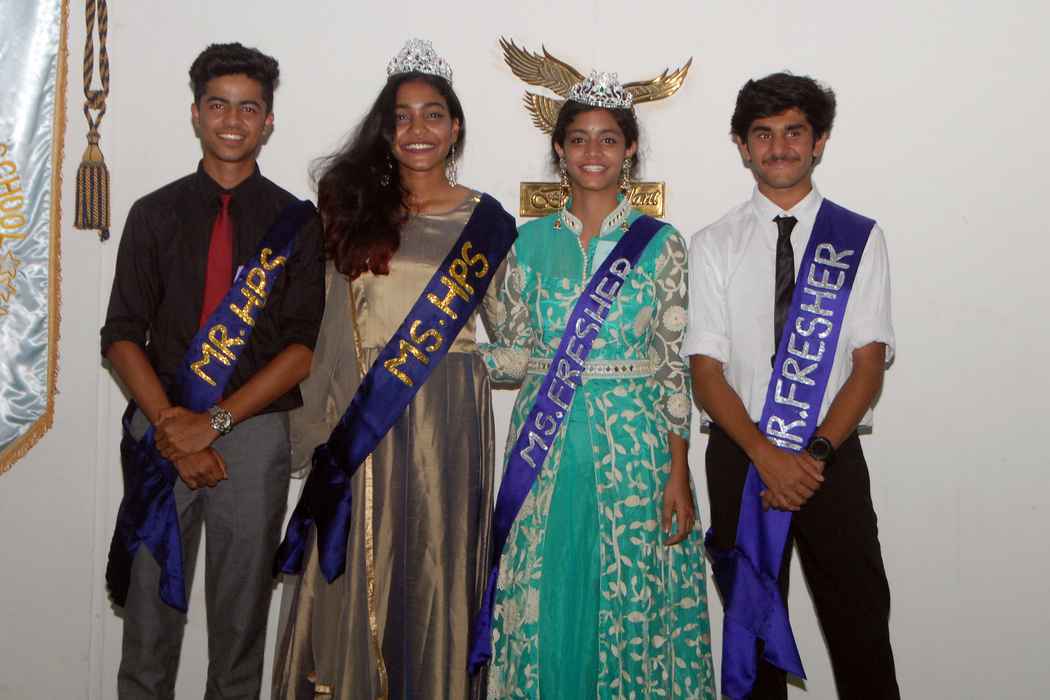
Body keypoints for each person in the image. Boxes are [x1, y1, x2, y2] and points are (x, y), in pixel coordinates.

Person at [271, 39, 516, 700]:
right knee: (358, 567)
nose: (418, 129)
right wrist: (316, 431)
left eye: (432, 115)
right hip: (362, 417)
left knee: (437, 567)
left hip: (449, 419)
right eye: (402, 117)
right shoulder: (351, 211)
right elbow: (328, 330)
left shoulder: (487, 222)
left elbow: (516, 334)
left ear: (455, 127)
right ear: (386, 130)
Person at [479, 71, 716, 698]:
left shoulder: (661, 244)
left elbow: (671, 366)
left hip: (633, 450)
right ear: (559, 149)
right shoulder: (527, 242)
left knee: (628, 597)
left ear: (629, 149)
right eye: (579, 139)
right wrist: (450, 356)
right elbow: (514, 357)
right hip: (544, 448)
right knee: (549, 592)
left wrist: (678, 470)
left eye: (608, 139)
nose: (593, 152)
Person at [101, 43, 324, 699]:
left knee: (240, 628)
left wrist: (216, 423)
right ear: (196, 114)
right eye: (218, 105)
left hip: (252, 436)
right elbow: (121, 336)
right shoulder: (154, 213)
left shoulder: (296, 222)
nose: (232, 120)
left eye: (248, 108)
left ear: (268, 121)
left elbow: (300, 349)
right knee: (148, 625)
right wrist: (176, 428)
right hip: (161, 425)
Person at [685, 72, 900, 699]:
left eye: (794, 132)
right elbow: (706, 372)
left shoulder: (858, 238)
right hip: (741, 453)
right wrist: (765, 456)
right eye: (763, 134)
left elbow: (867, 364)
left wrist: (814, 454)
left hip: (829, 455)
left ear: (819, 140)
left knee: (860, 626)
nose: (779, 147)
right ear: (742, 145)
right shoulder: (713, 244)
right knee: (752, 635)